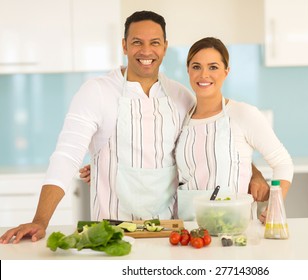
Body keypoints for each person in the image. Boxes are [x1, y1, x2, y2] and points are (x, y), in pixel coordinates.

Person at [0, 11, 268, 244]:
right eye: (137, 42)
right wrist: (40, 220)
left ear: (164, 47)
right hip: (111, 231)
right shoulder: (96, 92)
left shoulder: (181, 96)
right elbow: (67, 155)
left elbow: (213, 141)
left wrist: (254, 173)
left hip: (168, 233)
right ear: (124, 46)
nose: (146, 51)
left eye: (154, 43)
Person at [174, 37, 294, 221]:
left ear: (226, 71)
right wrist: (255, 173)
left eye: (213, 67)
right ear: (188, 71)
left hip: (235, 228)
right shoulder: (181, 117)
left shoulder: (242, 113)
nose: (204, 74)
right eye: (197, 66)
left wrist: (273, 207)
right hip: (191, 230)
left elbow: (283, 163)